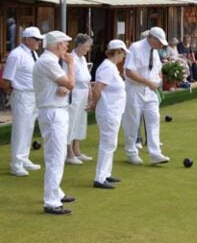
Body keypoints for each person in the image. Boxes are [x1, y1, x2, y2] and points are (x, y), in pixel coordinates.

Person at [33, 30, 75, 215]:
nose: (67, 47)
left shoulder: (48, 61)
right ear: (58, 45)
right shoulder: (48, 61)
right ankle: (51, 201)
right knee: (56, 157)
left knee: (57, 155)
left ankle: (56, 192)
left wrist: (63, 88)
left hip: (55, 109)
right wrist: (71, 65)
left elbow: (63, 85)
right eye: (65, 43)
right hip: (52, 112)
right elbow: (70, 83)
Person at [121, 26, 170, 165]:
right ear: (151, 38)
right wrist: (148, 82)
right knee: (133, 121)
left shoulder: (154, 51)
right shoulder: (135, 48)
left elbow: (157, 69)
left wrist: (157, 81)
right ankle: (131, 152)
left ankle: (155, 153)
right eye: (159, 42)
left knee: (154, 119)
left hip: (150, 91)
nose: (161, 45)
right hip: (134, 90)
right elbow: (129, 71)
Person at [3, 26, 43, 177]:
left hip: (33, 95)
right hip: (22, 95)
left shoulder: (33, 54)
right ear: (27, 39)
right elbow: (6, 79)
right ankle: (16, 163)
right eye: (36, 39)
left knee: (29, 127)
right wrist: (12, 93)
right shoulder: (16, 55)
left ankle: (24, 158)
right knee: (20, 129)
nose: (39, 42)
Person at [88, 39, 129, 189]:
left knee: (111, 143)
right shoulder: (107, 68)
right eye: (122, 53)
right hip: (108, 111)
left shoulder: (111, 67)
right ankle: (99, 178)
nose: (123, 57)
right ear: (117, 52)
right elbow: (98, 88)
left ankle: (106, 174)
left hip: (114, 110)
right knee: (107, 143)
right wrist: (93, 104)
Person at [65, 34, 93, 166]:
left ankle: (77, 150)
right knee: (72, 122)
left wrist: (90, 93)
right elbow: (68, 78)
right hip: (74, 94)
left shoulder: (82, 59)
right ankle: (69, 153)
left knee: (80, 122)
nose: (88, 49)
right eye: (87, 46)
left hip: (83, 94)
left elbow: (86, 78)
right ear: (80, 45)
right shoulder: (71, 59)